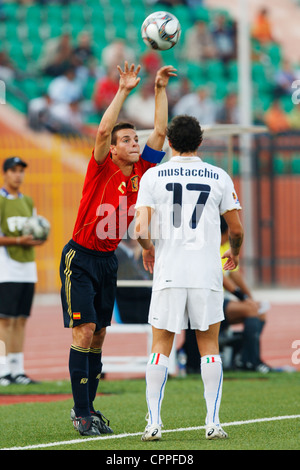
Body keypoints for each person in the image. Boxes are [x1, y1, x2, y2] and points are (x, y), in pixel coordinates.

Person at [59, 61, 177, 437]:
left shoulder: (143, 172)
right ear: (112, 149)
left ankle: (90, 410)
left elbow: (161, 130)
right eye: (126, 140)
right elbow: (104, 128)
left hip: (108, 261)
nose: (133, 143)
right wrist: (124, 89)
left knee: (98, 337)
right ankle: (80, 413)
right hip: (80, 257)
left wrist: (159, 88)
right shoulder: (100, 167)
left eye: (134, 140)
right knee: (85, 330)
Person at [134, 114, 243, 441]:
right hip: (206, 273)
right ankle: (213, 422)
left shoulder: (153, 176)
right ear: (200, 142)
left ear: (169, 142)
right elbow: (235, 229)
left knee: (161, 345)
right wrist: (234, 252)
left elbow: (139, 228)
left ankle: (153, 422)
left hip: (168, 270)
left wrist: (148, 248)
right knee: (208, 345)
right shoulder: (218, 176)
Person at [0, 157, 46, 386]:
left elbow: (34, 229)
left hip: (27, 268)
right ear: (5, 174)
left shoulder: (27, 201)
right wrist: (19, 239)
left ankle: (17, 370)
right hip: (6, 269)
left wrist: (37, 239)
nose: (18, 175)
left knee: (20, 320)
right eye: (14, 171)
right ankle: (2, 370)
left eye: (21, 171)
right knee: (5, 321)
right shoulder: (1, 200)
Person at [220, 216, 271, 373]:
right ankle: (248, 361)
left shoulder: (226, 246)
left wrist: (250, 298)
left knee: (259, 312)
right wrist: (242, 298)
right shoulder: (208, 246)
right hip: (209, 300)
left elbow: (234, 275)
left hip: (222, 300)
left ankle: (245, 355)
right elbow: (220, 277)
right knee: (251, 310)